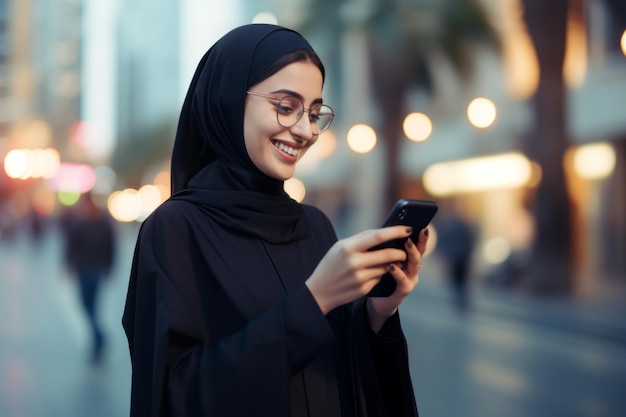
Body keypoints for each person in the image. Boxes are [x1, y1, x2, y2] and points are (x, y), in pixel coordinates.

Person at [122, 23, 430, 417]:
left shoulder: (316, 226)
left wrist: (377, 313)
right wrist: (315, 299)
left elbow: (339, 370)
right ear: (230, 102)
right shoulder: (176, 229)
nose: (305, 131)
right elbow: (173, 395)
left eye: (315, 113)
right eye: (286, 107)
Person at [64, 191, 116, 364]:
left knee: (92, 306)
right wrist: (68, 264)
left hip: (96, 270)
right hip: (82, 269)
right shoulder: (79, 224)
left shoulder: (104, 224)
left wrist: (109, 267)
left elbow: (111, 247)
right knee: (86, 305)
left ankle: (98, 340)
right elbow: (71, 245)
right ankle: (99, 336)